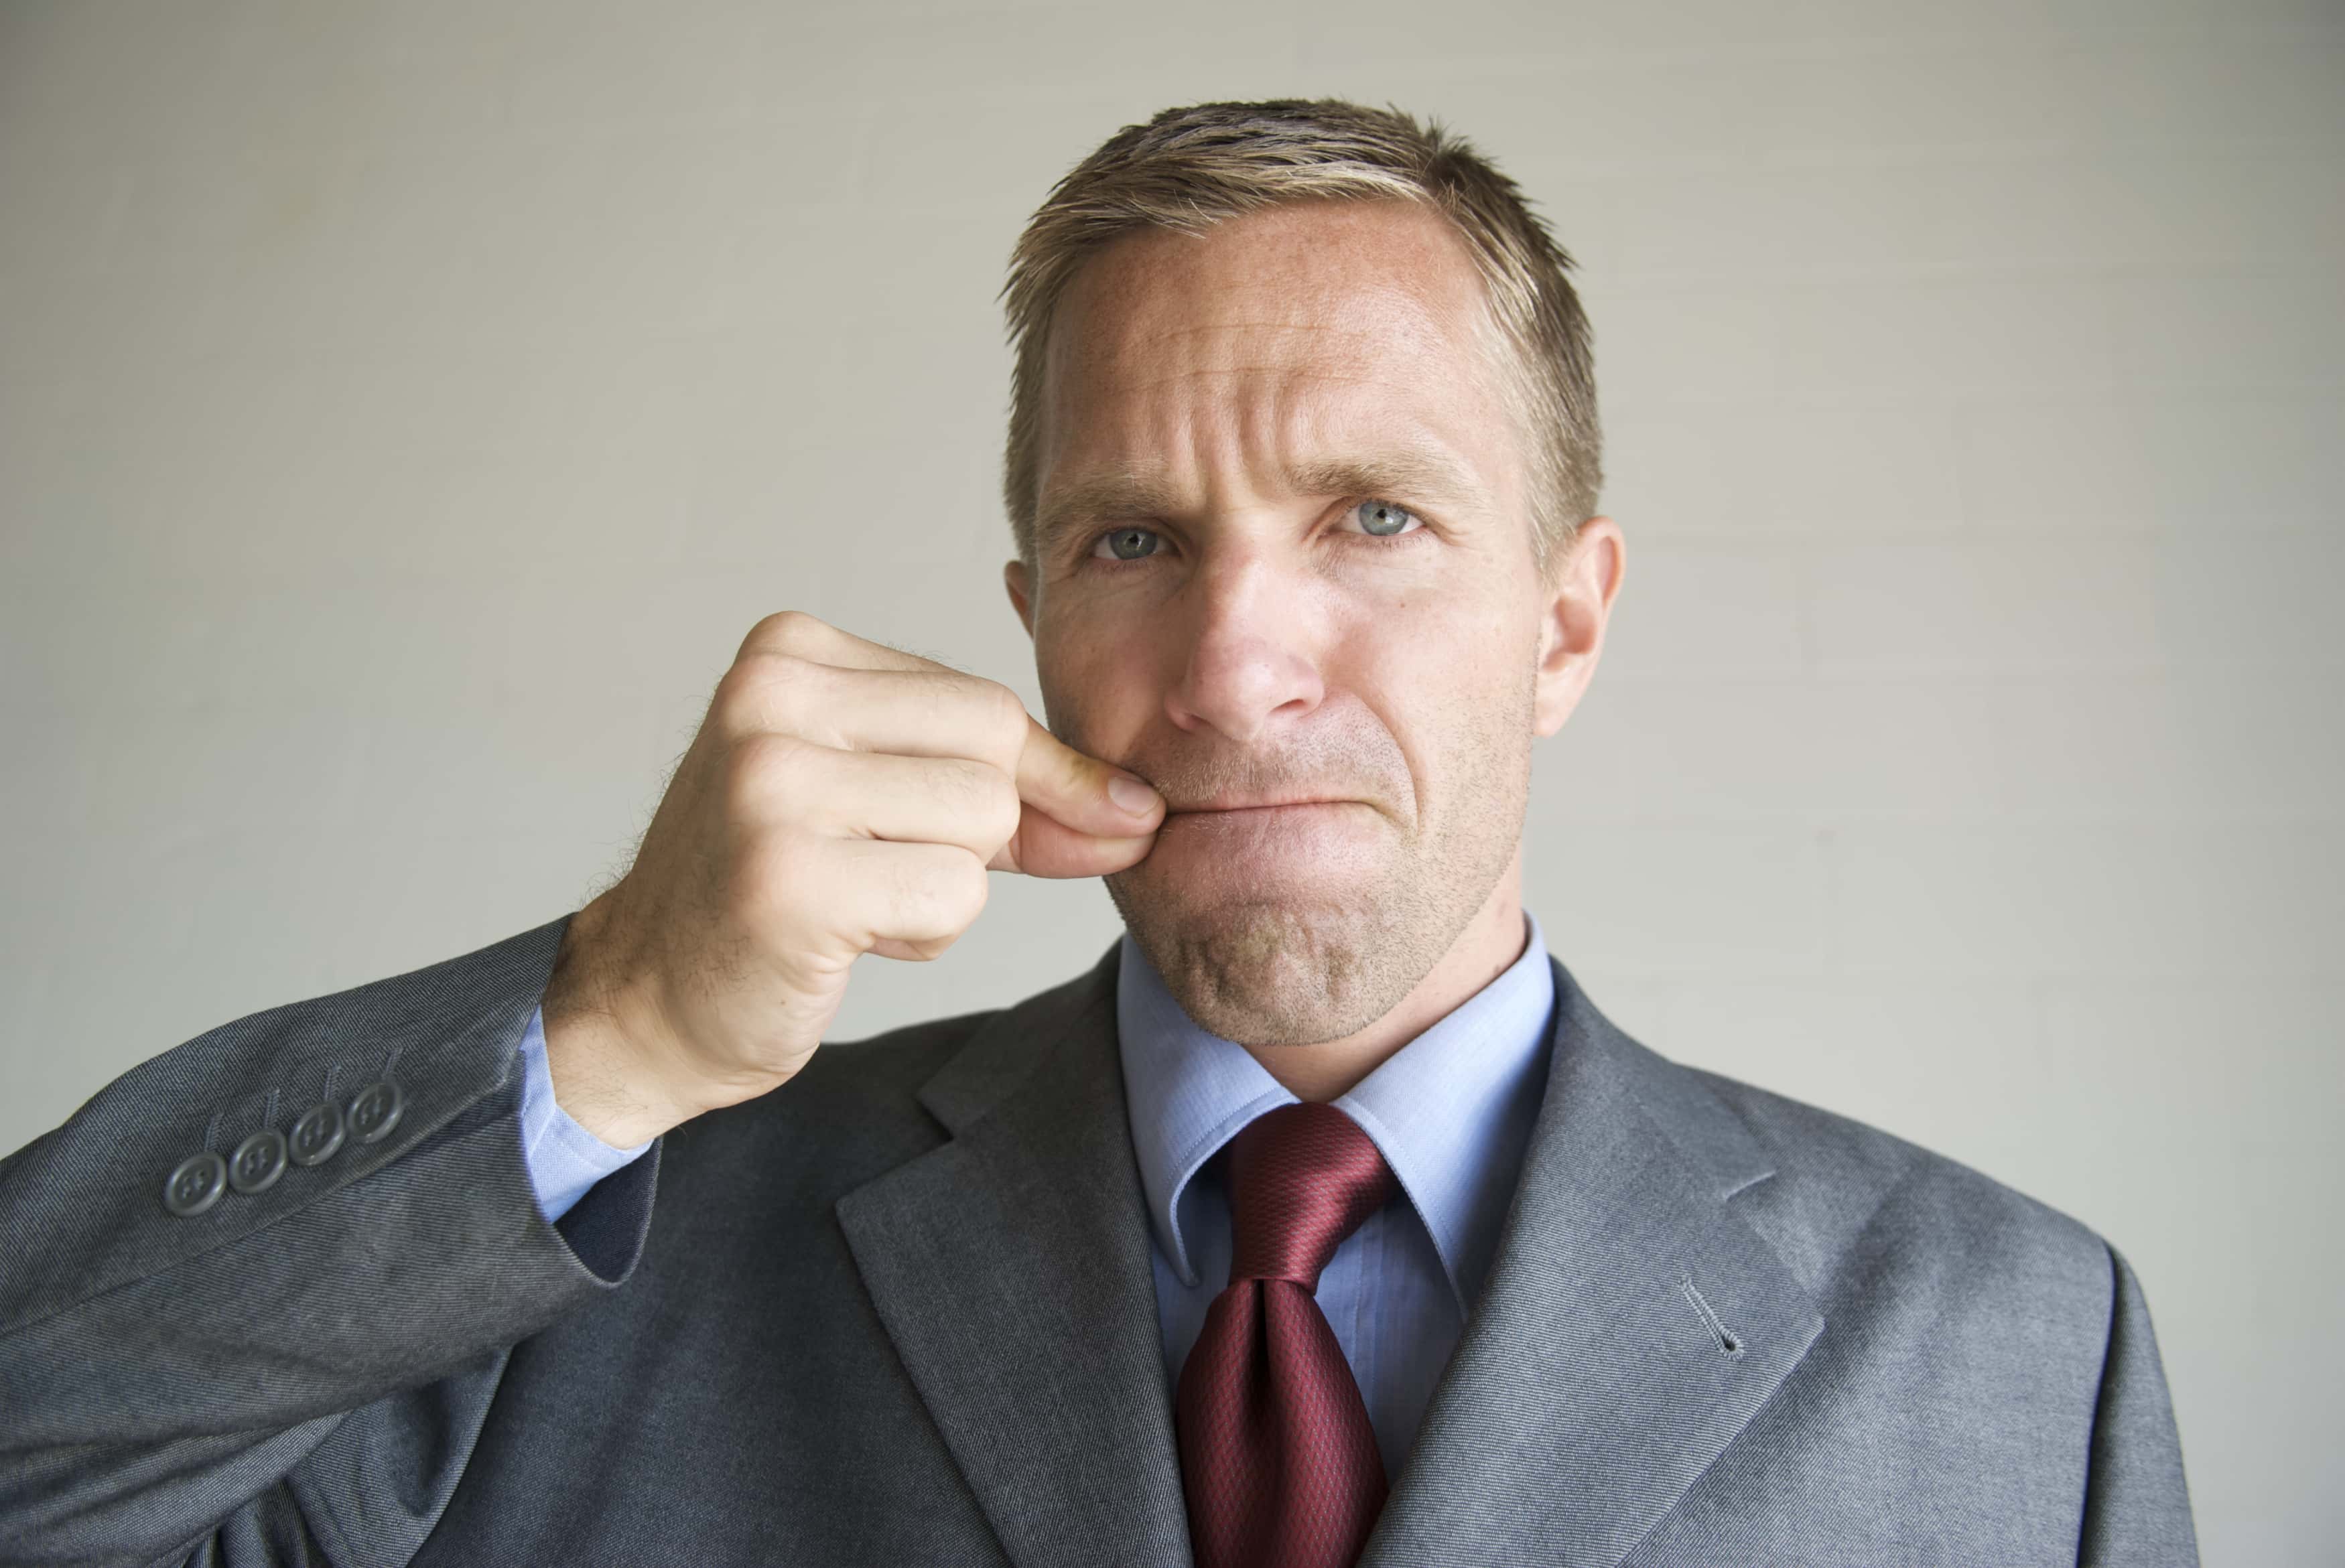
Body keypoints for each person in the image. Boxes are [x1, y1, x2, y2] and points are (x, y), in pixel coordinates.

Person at [0, 98, 2194, 1568]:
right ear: (1035, 620)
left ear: (1563, 620)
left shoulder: (2022, 1346)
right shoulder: (567, 1261)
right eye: (1136, 534)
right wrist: (609, 1022)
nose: (1237, 664)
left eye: (1376, 517)